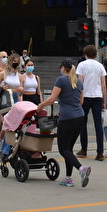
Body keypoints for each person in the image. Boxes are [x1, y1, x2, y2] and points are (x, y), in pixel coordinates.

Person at [38, 59, 91, 188]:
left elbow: (52, 99)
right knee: (69, 149)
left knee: (63, 149)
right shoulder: (78, 81)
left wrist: (41, 105)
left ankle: (81, 168)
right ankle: (68, 178)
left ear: (63, 68)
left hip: (67, 118)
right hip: (80, 117)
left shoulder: (61, 80)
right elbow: (81, 102)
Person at [76, 44, 107, 161]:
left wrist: (79, 99)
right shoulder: (100, 66)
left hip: (85, 97)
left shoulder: (82, 65)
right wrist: (104, 101)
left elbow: (80, 82)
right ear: (95, 54)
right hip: (97, 97)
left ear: (85, 54)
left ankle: (84, 149)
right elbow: (103, 85)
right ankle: (100, 153)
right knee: (98, 125)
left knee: (82, 123)